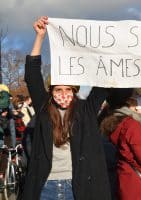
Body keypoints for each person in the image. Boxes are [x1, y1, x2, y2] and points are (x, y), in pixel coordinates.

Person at [22, 16, 111, 200]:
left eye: (68, 89)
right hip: (45, 188)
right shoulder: (44, 108)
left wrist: (108, 50)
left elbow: (104, 82)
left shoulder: (86, 110)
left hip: (77, 188)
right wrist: (40, 37)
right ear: (51, 90)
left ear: (74, 90)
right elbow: (32, 75)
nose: (63, 94)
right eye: (58, 89)